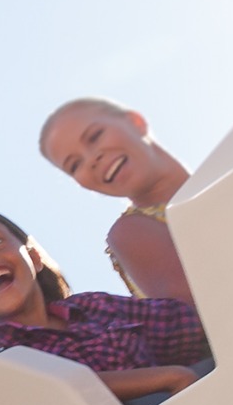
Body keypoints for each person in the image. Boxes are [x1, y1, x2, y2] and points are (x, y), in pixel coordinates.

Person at [0, 207, 209, 405]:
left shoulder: (94, 307)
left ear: (34, 258)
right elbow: (20, 399)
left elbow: (194, 325)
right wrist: (166, 378)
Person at [38, 97, 197, 304]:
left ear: (136, 121)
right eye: (75, 165)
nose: (93, 159)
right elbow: (202, 305)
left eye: (95, 136)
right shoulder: (132, 231)